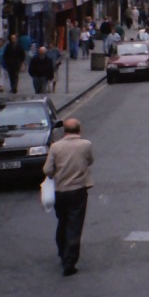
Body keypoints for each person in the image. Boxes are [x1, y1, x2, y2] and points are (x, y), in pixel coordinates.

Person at [43, 118, 94, 277]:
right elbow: (90, 161)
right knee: (74, 225)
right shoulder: (86, 145)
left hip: (60, 191)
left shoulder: (55, 147)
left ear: (64, 131)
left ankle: (61, 251)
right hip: (78, 190)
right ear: (79, 130)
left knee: (63, 221)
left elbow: (47, 170)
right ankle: (69, 262)